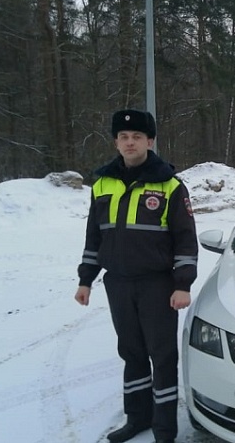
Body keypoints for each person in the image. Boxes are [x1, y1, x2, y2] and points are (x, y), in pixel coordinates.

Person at [74, 109, 198, 443]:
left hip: (157, 285)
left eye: (137, 137)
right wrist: (86, 278)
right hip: (118, 283)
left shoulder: (169, 184)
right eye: (124, 137)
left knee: (162, 356)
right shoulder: (102, 183)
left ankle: (164, 429)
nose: (130, 143)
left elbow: (185, 238)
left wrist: (182, 284)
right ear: (116, 141)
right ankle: (137, 418)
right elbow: (94, 236)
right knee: (131, 353)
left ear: (150, 141)